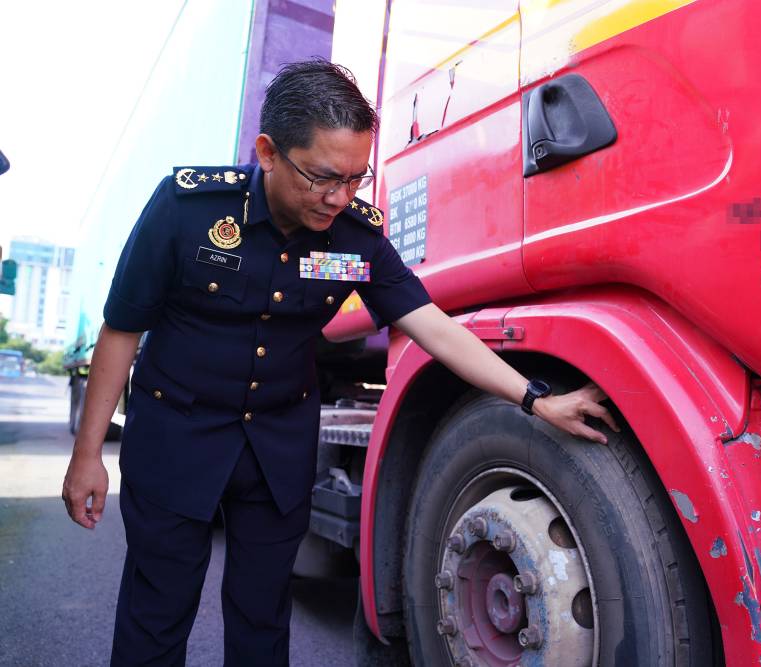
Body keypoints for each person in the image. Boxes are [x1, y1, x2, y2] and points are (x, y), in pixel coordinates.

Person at [61, 60, 618, 666]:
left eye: (357, 178)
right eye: (324, 178)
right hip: (177, 436)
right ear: (268, 153)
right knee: (157, 612)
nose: (339, 197)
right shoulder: (187, 210)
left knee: (262, 616)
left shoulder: (354, 239)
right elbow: (121, 331)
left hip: (276, 444)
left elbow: (429, 324)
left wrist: (534, 397)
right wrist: (88, 456)